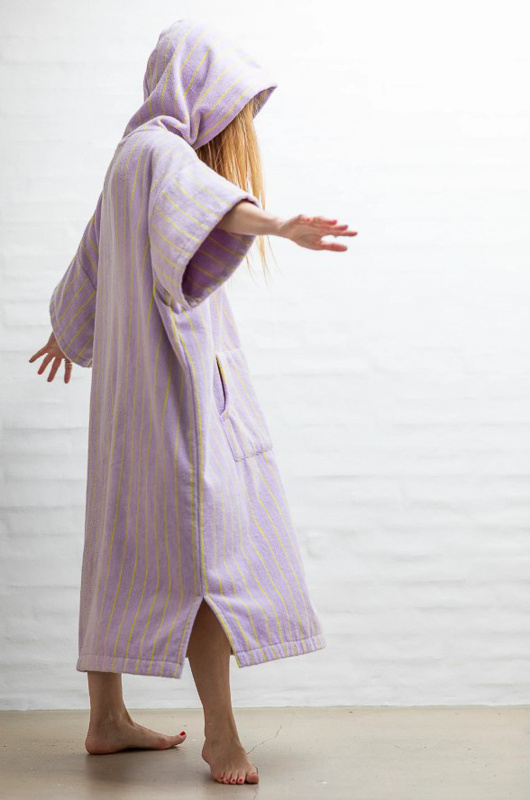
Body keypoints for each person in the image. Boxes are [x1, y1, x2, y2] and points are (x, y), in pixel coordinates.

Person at [29, 17, 357, 786]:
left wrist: (65, 331)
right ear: (198, 90)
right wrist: (279, 224)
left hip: (128, 400)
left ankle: (106, 718)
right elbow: (203, 204)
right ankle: (221, 735)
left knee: (119, 543)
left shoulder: (129, 155)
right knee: (204, 552)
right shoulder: (161, 153)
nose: (236, 123)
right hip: (175, 395)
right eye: (233, 103)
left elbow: (93, 256)